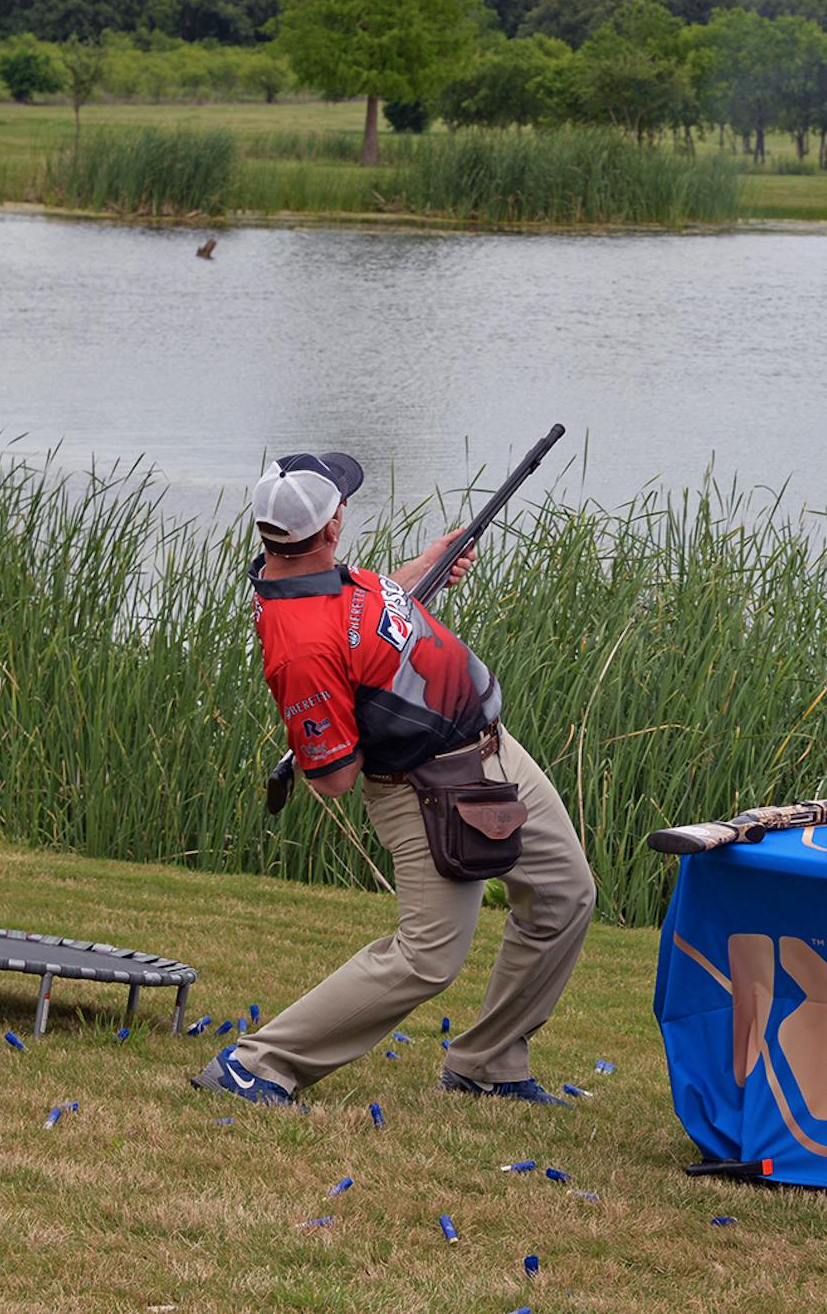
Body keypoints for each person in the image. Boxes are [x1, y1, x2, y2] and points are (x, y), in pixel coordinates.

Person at [192, 451, 595, 1108]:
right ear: (330, 527)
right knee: (427, 956)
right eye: (341, 504)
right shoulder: (299, 644)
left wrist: (424, 568)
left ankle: (489, 1062)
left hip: (494, 750)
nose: (345, 510)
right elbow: (334, 777)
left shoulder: (305, 569)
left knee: (566, 894)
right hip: (429, 788)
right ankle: (255, 1062)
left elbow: (372, 604)